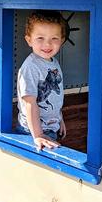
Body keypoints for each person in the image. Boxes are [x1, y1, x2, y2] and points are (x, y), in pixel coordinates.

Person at [16, 10, 67, 151]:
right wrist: (38, 135)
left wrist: (59, 119)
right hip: (32, 131)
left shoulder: (54, 62)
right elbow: (29, 102)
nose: (47, 44)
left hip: (51, 127)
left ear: (61, 40)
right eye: (40, 38)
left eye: (54, 38)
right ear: (29, 40)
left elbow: (54, 96)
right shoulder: (31, 67)